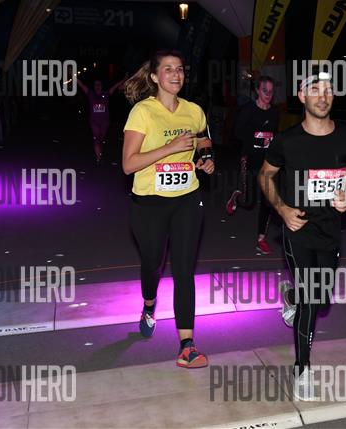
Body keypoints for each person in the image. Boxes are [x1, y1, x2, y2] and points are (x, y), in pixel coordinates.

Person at [259, 71, 346, 400]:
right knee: (312, 299)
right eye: (315, 89)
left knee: (321, 298)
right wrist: (282, 210)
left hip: (330, 230)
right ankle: (302, 368)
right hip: (297, 228)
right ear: (302, 96)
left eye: (328, 89)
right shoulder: (287, 140)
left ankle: (291, 298)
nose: (323, 95)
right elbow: (265, 175)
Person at [121, 50, 215, 368]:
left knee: (184, 271)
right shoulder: (142, 112)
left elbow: (203, 142)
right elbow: (128, 164)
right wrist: (169, 148)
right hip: (150, 203)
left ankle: (187, 345)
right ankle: (149, 304)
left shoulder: (194, 111)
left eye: (180, 69)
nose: (176, 74)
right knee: (153, 264)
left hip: (187, 199)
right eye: (168, 69)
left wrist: (206, 160)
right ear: (154, 76)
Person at [226, 75, 280, 254]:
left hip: (268, 163)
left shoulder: (274, 112)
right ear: (257, 90)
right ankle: (237, 196)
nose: (268, 95)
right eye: (265, 91)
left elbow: (275, 135)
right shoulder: (248, 110)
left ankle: (261, 239)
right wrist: (255, 135)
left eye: (271, 91)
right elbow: (237, 132)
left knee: (267, 201)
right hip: (250, 159)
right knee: (248, 202)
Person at [77, 74, 127, 164]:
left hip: (105, 122)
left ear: (101, 86)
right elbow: (81, 85)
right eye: (96, 85)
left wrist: (123, 79)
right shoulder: (90, 94)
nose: (97, 86)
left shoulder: (106, 94)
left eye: (99, 84)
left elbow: (115, 86)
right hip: (94, 121)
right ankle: (98, 158)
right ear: (94, 86)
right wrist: (73, 77)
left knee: (101, 138)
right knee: (96, 138)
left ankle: (100, 152)